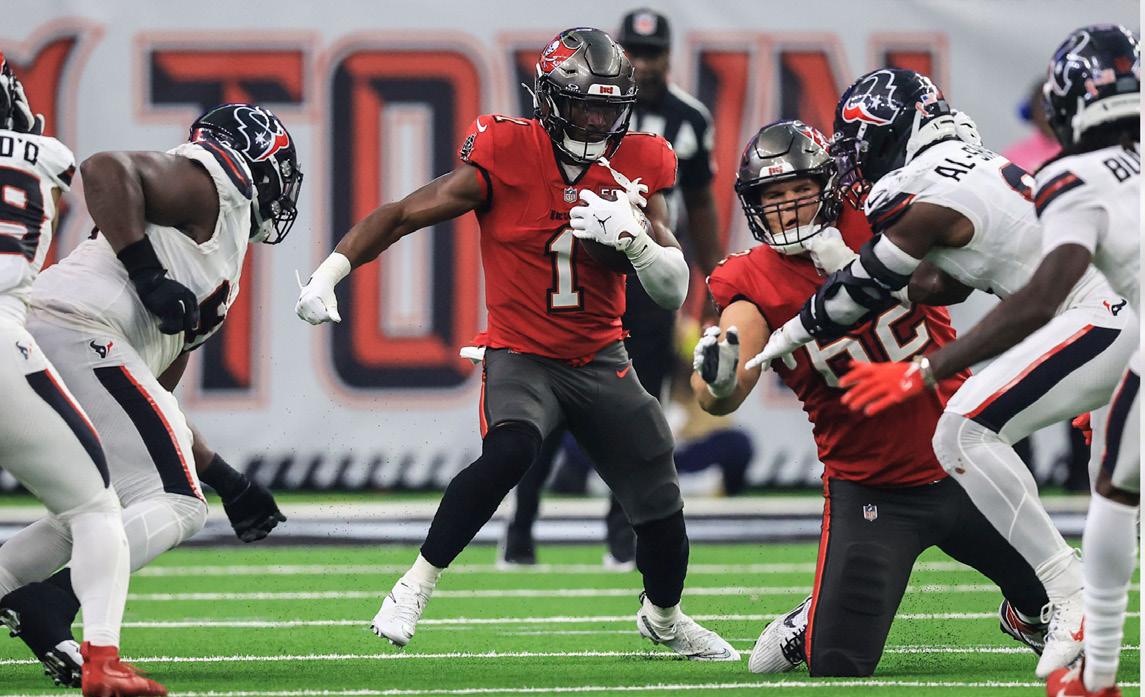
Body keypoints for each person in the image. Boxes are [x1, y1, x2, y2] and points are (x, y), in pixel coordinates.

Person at [296, 27, 737, 661]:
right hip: (522, 353)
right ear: (551, 100)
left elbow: (672, 290)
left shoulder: (639, 161)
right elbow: (404, 213)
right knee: (511, 450)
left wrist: (636, 240)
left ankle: (665, 620)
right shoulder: (505, 151)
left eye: (608, 110)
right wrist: (328, 273)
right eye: (583, 106)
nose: (596, 122)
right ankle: (415, 584)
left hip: (601, 356)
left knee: (660, 494)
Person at [746, 68, 1134, 678]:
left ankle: (1069, 592)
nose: (857, 162)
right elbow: (943, 281)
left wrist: (795, 332)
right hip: (1110, 313)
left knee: (963, 430)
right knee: (1117, 491)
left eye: (862, 145)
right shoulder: (971, 164)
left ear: (893, 134)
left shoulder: (919, 188)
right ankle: (1075, 608)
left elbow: (860, 293)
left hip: (1100, 316)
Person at [693, 119, 1049, 677]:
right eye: (774, 196)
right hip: (873, 488)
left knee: (1060, 604)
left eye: (801, 190)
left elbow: (956, 277)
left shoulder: (881, 220)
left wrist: (867, 268)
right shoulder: (752, 279)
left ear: (830, 186)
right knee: (836, 666)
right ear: (754, 204)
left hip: (967, 459)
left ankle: (1024, 615)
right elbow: (725, 387)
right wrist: (717, 381)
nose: (788, 207)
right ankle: (813, 617)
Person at [0, 102, 296, 685]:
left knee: (105, 503)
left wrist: (229, 480)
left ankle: (14, 587)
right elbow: (106, 168)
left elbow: (152, 402)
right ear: (260, 164)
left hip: (58, 337)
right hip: (77, 327)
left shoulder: (219, 260)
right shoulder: (215, 185)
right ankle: (52, 605)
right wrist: (147, 274)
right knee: (178, 503)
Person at [501, 7, 722, 569]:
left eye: (653, 52)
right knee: (548, 403)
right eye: (635, 52)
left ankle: (623, 534)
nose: (644, 63)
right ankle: (521, 526)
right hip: (579, 271)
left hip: (646, 276)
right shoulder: (575, 105)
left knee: (636, 413)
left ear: (669, 55)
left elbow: (700, 208)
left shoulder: (688, 121)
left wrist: (714, 288)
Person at [0, 57, 165, 696]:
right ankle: (101, 661)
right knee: (96, 507)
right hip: (4, 341)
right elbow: (98, 182)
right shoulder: (48, 154)